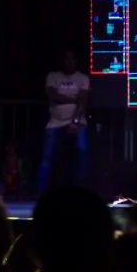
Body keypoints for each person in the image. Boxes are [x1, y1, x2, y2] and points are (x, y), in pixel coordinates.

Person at [37, 49, 90, 190]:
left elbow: (82, 102)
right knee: (47, 155)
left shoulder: (83, 78)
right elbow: (53, 96)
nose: (69, 62)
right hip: (55, 122)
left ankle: (81, 188)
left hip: (77, 122)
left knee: (82, 151)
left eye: (72, 59)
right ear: (62, 61)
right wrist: (72, 98)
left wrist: (75, 122)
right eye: (66, 59)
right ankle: (41, 189)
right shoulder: (52, 76)